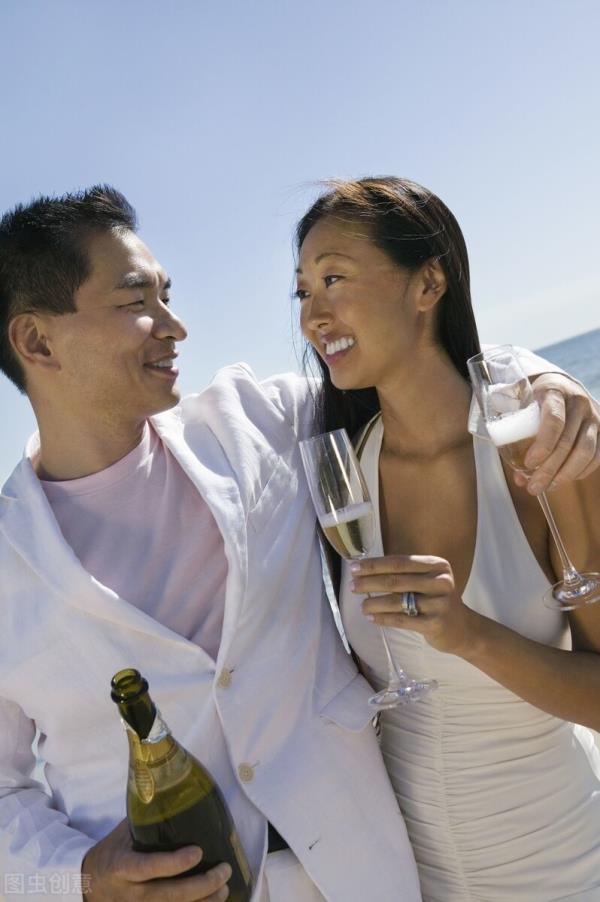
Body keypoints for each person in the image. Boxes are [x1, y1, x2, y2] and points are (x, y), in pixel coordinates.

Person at [0, 187, 595, 902]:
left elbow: (409, 362)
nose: (176, 326)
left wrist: (541, 378)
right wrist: (77, 876)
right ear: (37, 342)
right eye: (137, 301)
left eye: (167, 295)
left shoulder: (259, 427)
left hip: (366, 877)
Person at [294, 176, 600, 901]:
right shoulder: (343, 470)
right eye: (301, 291)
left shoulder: (539, 455)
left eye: (333, 278)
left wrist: (467, 635)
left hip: (560, 868)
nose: (312, 314)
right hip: (410, 881)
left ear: (428, 283)